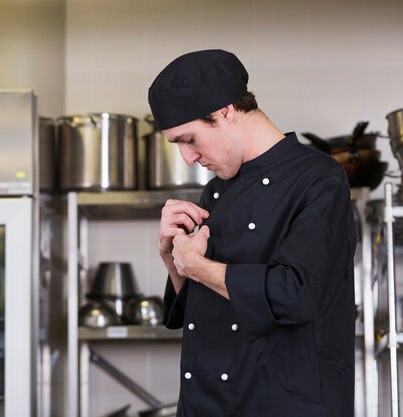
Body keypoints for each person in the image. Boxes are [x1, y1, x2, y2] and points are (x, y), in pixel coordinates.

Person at [147, 49, 356, 417]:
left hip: (282, 404)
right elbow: (199, 310)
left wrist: (195, 266)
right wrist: (173, 258)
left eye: (189, 139)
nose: (188, 158)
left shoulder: (318, 178)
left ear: (225, 111)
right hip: (208, 404)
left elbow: (296, 293)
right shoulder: (216, 191)